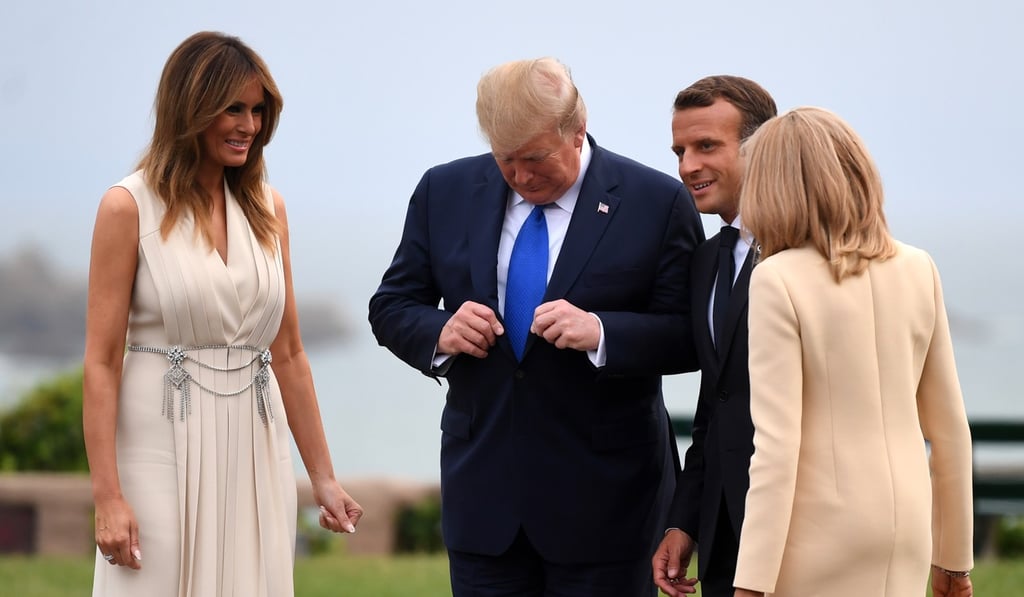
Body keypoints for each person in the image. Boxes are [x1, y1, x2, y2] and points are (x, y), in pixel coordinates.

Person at [368, 57, 704, 596]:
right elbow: (391, 304)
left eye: (535, 158)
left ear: (577, 130)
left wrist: (602, 333)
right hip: (484, 504)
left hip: (609, 510)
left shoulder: (656, 202)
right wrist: (440, 332)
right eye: (505, 161)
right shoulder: (444, 190)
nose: (522, 177)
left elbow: (690, 335)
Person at [82, 31, 362, 597]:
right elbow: (102, 363)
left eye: (258, 110)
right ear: (191, 107)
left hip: (256, 447)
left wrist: (324, 478)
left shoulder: (268, 209)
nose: (249, 125)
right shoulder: (126, 206)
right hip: (157, 445)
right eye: (233, 108)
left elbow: (288, 353)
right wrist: (108, 497)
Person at [731, 106, 974, 597]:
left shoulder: (777, 279)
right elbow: (950, 431)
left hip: (816, 537)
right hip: (905, 527)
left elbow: (777, 449)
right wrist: (954, 559)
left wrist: (750, 583)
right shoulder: (918, 267)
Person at [651, 76, 777, 597]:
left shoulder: (808, 254)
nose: (686, 166)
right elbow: (716, 399)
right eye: (680, 150)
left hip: (795, 526)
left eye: (707, 146)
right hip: (723, 533)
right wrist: (685, 521)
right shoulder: (707, 259)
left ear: (762, 146)